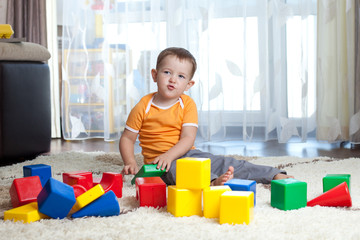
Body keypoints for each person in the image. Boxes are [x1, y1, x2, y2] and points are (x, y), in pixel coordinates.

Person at [119, 47, 293, 186]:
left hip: (188, 154)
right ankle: (212, 182)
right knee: (178, 171)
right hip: (160, 165)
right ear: (155, 75)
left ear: (188, 84)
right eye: (167, 72)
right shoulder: (143, 106)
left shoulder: (187, 104)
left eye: (180, 76)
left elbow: (188, 138)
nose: (173, 79)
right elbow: (127, 138)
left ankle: (274, 175)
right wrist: (130, 162)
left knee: (225, 163)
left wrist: (171, 154)